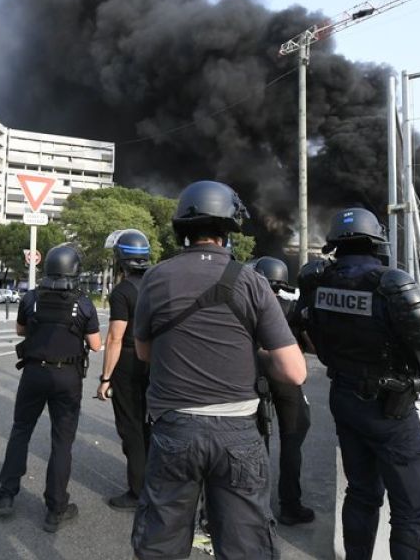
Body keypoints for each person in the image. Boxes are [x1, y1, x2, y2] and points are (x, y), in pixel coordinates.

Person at [131, 180, 307, 560]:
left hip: (173, 429)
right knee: (246, 548)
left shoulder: (154, 279)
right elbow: (294, 372)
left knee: (160, 544)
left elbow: (144, 352)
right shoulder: (253, 281)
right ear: (228, 230)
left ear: (182, 229)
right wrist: (251, 356)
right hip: (239, 436)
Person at [295, 207, 420, 560]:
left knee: (361, 493)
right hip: (389, 409)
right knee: (414, 510)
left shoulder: (316, 282)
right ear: (376, 240)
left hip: (343, 397)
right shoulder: (392, 283)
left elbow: (307, 330)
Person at [0, 243, 102, 532]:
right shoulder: (84, 302)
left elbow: (21, 330)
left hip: (33, 373)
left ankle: (6, 495)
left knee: (20, 431)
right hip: (67, 378)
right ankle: (55, 509)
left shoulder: (31, 297)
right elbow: (95, 345)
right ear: (75, 270)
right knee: (61, 442)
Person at [250, 256, 315, 526]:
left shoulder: (248, 304)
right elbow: (308, 344)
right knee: (293, 437)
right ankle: (290, 504)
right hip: (286, 376)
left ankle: (254, 504)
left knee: (253, 442)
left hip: (252, 375)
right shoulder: (291, 307)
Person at [96, 229, 152, 511]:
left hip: (129, 363)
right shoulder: (159, 283)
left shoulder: (122, 292)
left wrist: (105, 378)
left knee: (131, 426)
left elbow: (115, 338)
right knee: (152, 426)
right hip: (158, 362)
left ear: (121, 259)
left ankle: (137, 491)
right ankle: (157, 487)